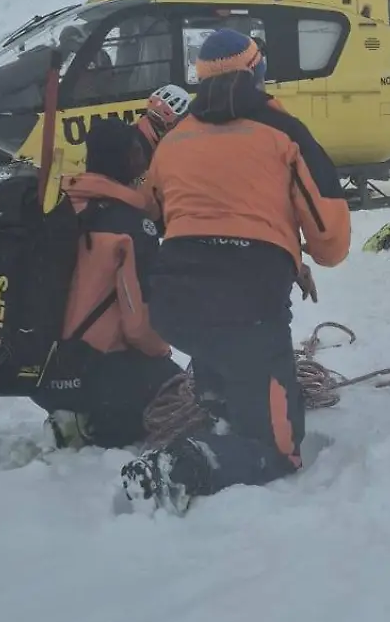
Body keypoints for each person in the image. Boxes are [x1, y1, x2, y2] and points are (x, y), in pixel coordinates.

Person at [122, 28, 350, 512]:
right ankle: (182, 466)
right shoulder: (284, 133)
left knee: (218, 340)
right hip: (248, 307)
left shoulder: (176, 139)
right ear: (257, 71)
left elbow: (154, 211)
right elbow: (331, 241)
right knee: (280, 449)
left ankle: (217, 400)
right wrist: (292, 248)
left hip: (175, 304)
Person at [34, 118, 179, 449]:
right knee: (182, 391)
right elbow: (138, 324)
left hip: (41, 371)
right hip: (97, 372)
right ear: (127, 158)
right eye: (138, 152)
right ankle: (93, 422)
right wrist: (163, 356)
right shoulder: (129, 226)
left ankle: (72, 415)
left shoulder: (59, 207)